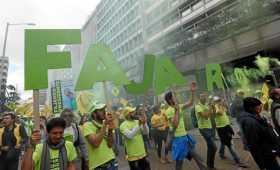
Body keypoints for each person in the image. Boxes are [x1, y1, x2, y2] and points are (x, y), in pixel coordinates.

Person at [165, 82, 207, 170]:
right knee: (179, 163)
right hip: (177, 140)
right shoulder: (168, 111)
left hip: (185, 137)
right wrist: (176, 110)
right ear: (170, 100)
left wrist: (192, 92)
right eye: (174, 96)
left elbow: (190, 103)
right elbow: (175, 124)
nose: (177, 97)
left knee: (197, 156)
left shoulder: (179, 106)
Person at [240, 97, 280, 170]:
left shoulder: (255, 115)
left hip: (270, 150)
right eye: (258, 106)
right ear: (251, 108)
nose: (261, 107)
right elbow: (253, 145)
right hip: (266, 154)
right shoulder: (250, 122)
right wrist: (261, 164)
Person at [212, 96, 248, 168]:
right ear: (215, 102)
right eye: (217, 101)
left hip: (227, 126)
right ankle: (238, 161)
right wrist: (222, 105)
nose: (219, 101)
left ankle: (221, 153)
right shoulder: (214, 107)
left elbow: (228, 113)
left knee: (223, 142)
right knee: (230, 144)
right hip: (221, 128)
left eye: (219, 100)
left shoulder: (221, 106)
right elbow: (220, 113)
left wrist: (226, 105)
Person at [83, 102, 117, 170]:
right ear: (94, 113)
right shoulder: (87, 125)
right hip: (98, 166)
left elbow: (110, 145)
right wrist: (105, 125)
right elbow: (96, 144)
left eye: (104, 109)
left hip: (111, 162)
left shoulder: (106, 124)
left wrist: (110, 130)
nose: (104, 112)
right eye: (101, 110)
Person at [195, 93, 217, 170]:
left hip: (210, 128)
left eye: (205, 96)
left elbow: (213, 114)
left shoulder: (207, 105)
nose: (204, 97)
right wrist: (210, 108)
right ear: (199, 98)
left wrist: (213, 107)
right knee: (214, 147)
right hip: (203, 129)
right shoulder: (198, 107)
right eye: (202, 96)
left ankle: (209, 166)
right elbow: (206, 116)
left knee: (210, 147)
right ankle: (210, 165)